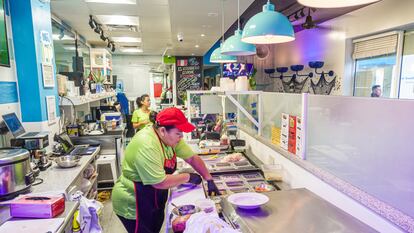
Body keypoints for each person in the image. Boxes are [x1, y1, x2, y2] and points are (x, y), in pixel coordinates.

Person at [112, 107, 220, 233]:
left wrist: (209, 179)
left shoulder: (170, 137)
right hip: (134, 202)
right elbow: (159, 182)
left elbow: (192, 158)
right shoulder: (147, 143)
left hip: (153, 197)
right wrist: (188, 177)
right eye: (178, 134)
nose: (181, 137)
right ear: (162, 130)